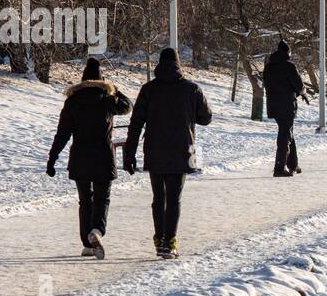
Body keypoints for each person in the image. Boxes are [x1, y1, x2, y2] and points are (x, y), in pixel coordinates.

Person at [124, 47, 212, 259]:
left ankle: (159, 239)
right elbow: (206, 118)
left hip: (155, 150)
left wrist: (129, 154)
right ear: (178, 65)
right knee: (174, 198)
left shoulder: (149, 89)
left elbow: (136, 123)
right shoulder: (192, 89)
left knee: (158, 197)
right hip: (182, 150)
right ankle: (169, 243)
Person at [47, 57, 132, 259]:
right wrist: (115, 90)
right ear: (102, 80)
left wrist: (52, 158)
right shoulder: (108, 99)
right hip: (103, 156)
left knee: (85, 201)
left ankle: (87, 244)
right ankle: (97, 231)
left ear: (83, 80)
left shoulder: (73, 102)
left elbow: (63, 134)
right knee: (102, 198)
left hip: (80, 158)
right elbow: (128, 106)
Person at [263, 38, 308, 177]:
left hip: (273, 106)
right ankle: (279, 167)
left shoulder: (268, 67)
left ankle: (292, 165)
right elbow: (299, 86)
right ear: (287, 52)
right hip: (287, 106)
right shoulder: (289, 66)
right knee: (285, 134)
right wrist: (303, 92)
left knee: (288, 132)